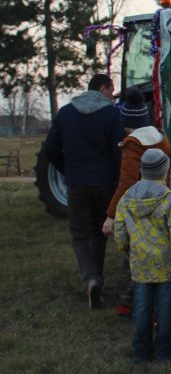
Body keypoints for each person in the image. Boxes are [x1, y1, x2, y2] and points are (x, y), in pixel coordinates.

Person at [43, 73, 123, 308]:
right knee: (99, 233)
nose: (113, 94)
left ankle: (90, 279)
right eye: (111, 89)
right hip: (104, 183)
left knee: (79, 234)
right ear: (102, 88)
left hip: (77, 182)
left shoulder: (66, 113)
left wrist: (66, 168)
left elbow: (50, 147)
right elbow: (119, 151)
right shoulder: (110, 114)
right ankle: (97, 280)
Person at [113, 149, 171, 363]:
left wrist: (125, 248)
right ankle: (165, 351)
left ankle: (141, 351)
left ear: (141, 170)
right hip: (166, 264)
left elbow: (119, 229)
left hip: (140, 263)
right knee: (165, 309)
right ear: (165, 172)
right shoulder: (170, 199)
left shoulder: (127, 198)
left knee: (142, 308)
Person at [101, 87, 171, 316]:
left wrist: (111, 215)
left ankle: (129, 304)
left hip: (139, 209)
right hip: (161, 205)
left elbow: (126, 183)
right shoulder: (161, 138)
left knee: (132, 257)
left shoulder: (133, 144)